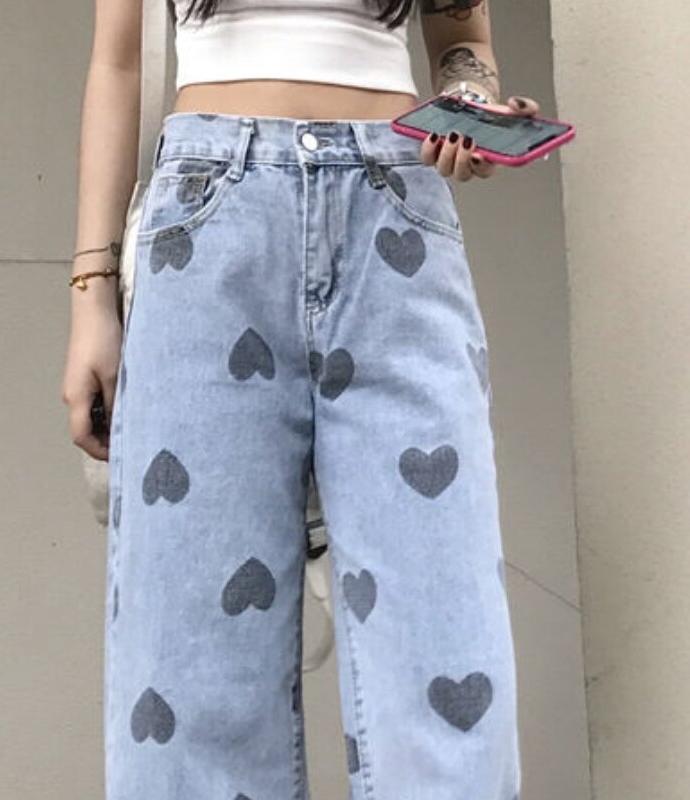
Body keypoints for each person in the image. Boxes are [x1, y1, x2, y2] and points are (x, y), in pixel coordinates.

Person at [62, 0, 538, 797]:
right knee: (187, 662)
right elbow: (118, 62)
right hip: (209, 220)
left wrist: (470, 108)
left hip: (395, 211)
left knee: (445, 639)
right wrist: (91, 297)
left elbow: (463, 41)